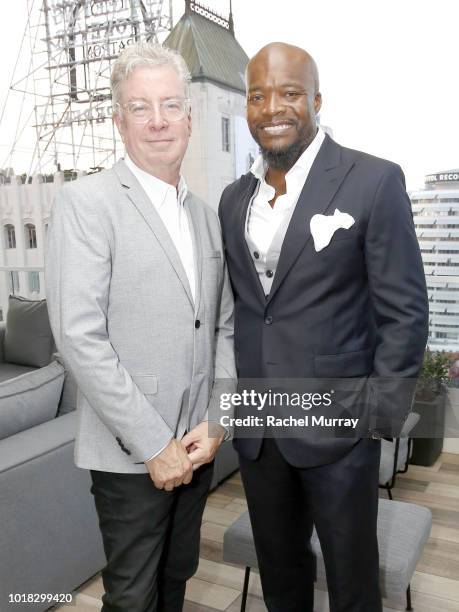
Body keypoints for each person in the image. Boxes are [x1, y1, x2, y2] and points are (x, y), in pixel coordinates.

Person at [218, 42, 429, 611]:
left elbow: (405, 311)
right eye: (258, 96)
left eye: (289, 93)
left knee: (352, 582)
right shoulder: (233, 200)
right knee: (281, 578)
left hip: (341, 432)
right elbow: (248, 310)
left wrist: (377, 421)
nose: (273, 108)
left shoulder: (373, 180)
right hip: (262, 432)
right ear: (247, 109)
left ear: (315, 100)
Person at [46, 42, 235, 612]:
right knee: (132, 595)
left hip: (197, 446)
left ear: (189, 117)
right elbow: (79, 338)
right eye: (140, 107)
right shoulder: (86, 203)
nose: (158, 121)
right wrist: (155, 445)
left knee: (178, 576)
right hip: (132, 454)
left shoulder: (206, 215)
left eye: (170, 105)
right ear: (118, 120)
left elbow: (222, 325)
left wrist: (218, 420)